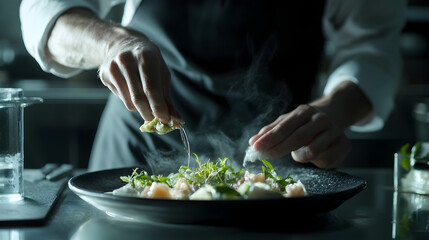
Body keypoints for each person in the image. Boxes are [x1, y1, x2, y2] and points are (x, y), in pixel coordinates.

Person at [20, 0, 406, 171]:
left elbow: (372, 50)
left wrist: (332, 111)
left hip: (275, 165)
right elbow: (44, 12)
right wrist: (112, 43)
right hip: (137, 149)